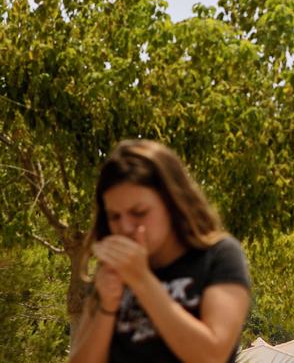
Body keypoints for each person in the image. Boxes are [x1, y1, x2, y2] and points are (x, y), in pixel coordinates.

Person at [69, 139, 252, 363]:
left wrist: (142, 280)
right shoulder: (111, 270)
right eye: (114, 216)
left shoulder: (219, 255)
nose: (125, 227)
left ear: (172, 204)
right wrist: (107, 306)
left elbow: (212, 356)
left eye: (139, 212)